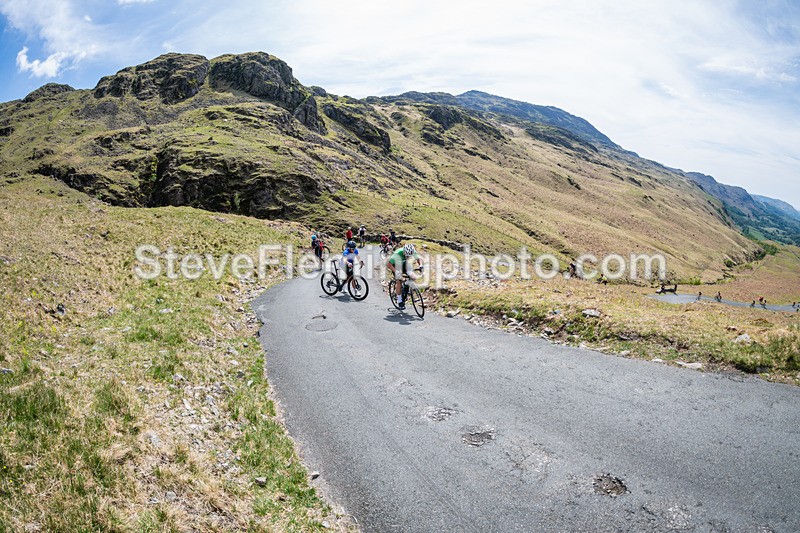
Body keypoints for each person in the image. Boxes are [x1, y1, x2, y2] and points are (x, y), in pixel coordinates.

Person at [387, 243, 422, 309]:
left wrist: (421, 266)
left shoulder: (413, 251)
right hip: (395, 266)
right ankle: (399, 300)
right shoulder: (397, 253)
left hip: (404, 264)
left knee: (413, 277)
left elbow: (418, 259)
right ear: (404, 252)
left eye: (410, 256)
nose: (408, 257)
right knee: (399, 281)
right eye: (407, 256)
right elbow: (389, 265)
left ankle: (406, 285)